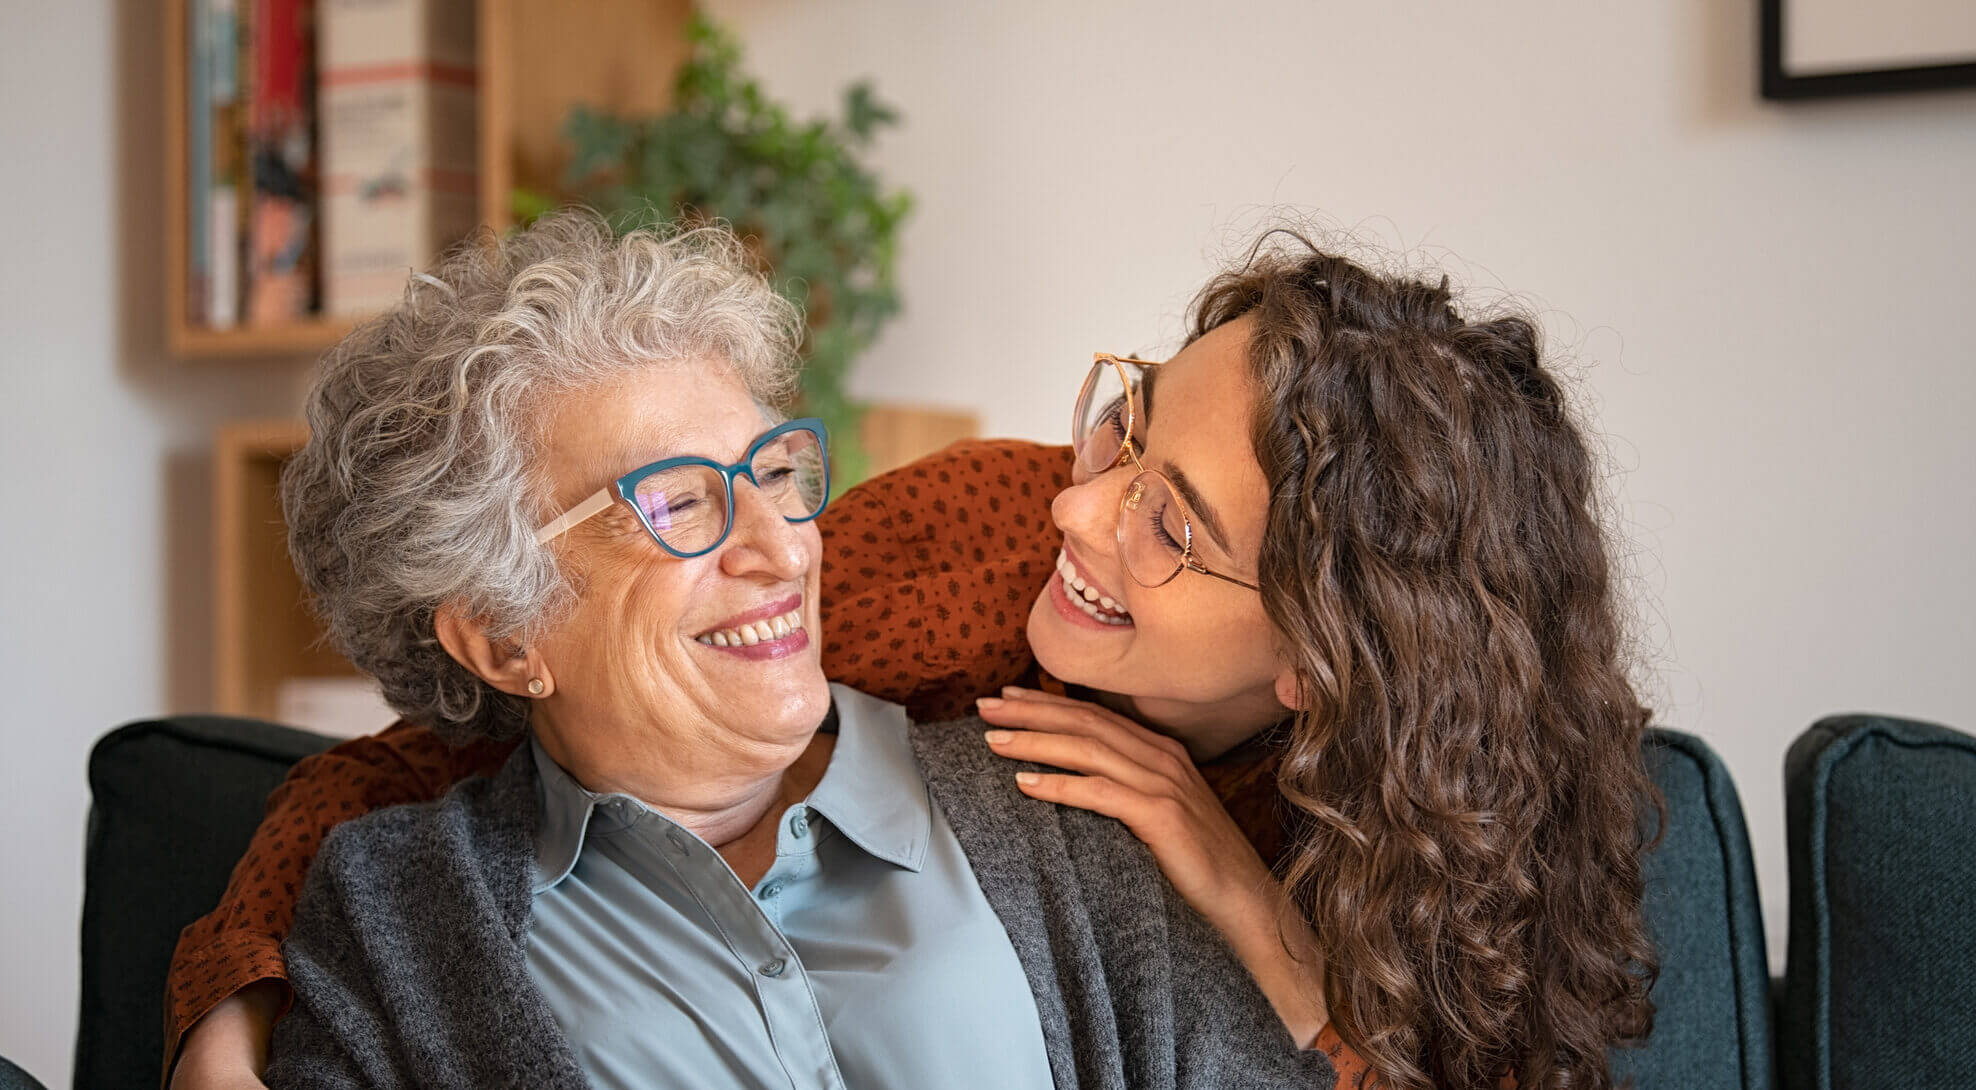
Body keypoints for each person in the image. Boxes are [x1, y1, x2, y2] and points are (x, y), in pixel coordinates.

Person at [170, 228, 1658, 1090]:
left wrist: (1264, 934)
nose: (1079, 506)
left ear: (1317, 669)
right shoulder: (979, 557)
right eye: (683, 497)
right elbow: (428, 758)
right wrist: (229, 999)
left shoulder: (1114, 852)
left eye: (1170, 523)